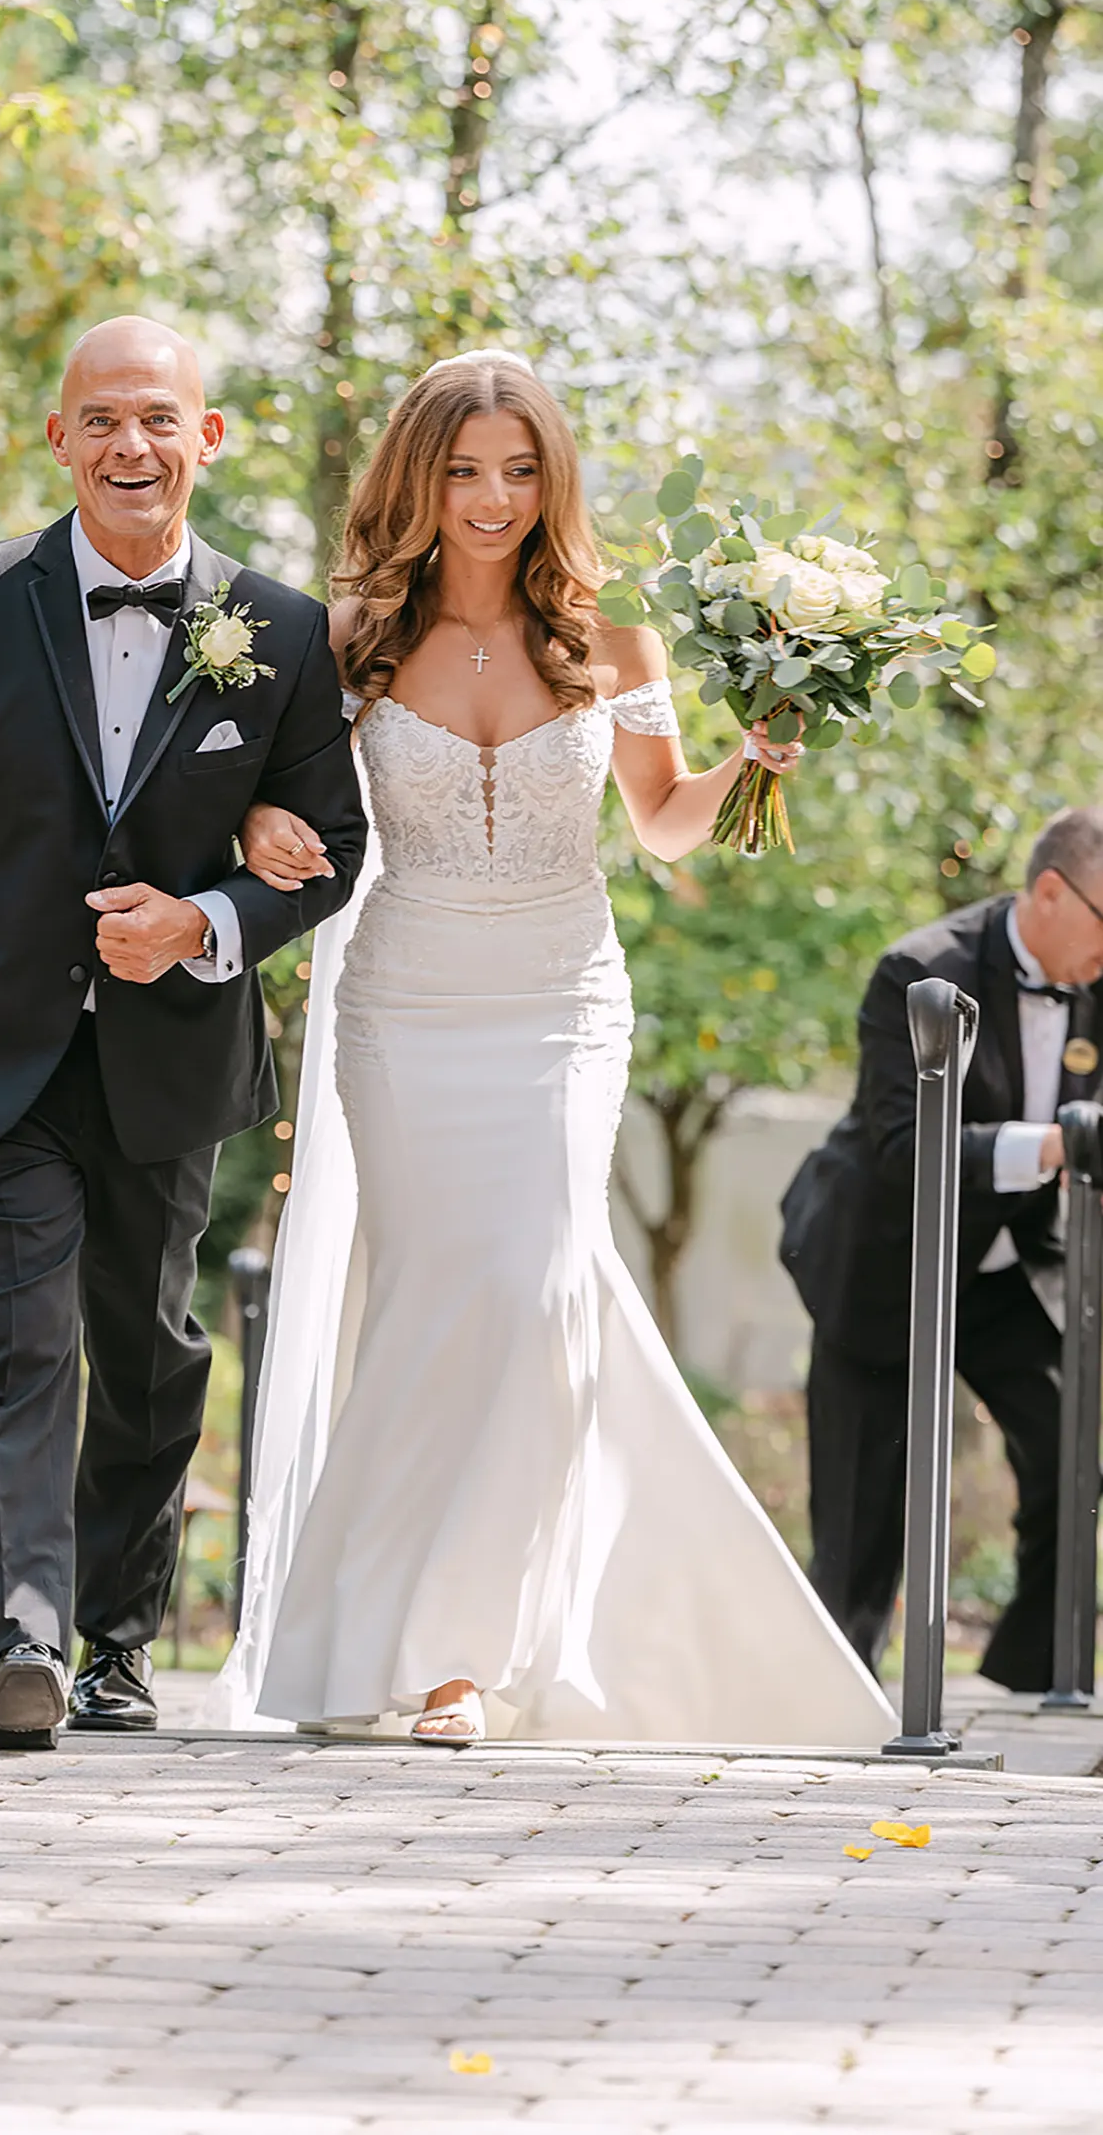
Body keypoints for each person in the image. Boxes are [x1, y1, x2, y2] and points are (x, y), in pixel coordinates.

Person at [218, 349, 894, 1748]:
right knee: (427, 1299)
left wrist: (749, 763)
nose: (491, 498)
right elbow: (259, 795)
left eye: (519, 471)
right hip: (404, 1003)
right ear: (418, 479)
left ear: (551, 481)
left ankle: (466, 1653)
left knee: (533, 1293)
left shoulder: (613, 647)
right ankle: (389, 1642)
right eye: (463, 471)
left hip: (558, 1003)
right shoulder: (344, 641)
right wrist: (253, 826)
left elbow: (660, 823)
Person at [0, 316, 368, 1751]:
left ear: (206, 437)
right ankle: (26, 1642)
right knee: (15, 1334)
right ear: (58, 438)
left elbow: (333, 848)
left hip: (167, 1059)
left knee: (147, 1349)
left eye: (157, 419)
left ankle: (117, 1642)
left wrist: (204, 920)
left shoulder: (280, 631)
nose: (131, 445)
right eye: (101, 419)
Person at [783, 810, 1103, 1689]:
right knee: (860, 1514)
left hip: (1006, 1268)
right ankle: (841, 1706)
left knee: (1074, 1457)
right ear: (1049, 892)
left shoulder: (1092, 979)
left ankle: (1025, 1683)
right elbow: (903, 1147)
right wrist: (1054, 1145)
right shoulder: (919, 971)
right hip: (885, 1261)